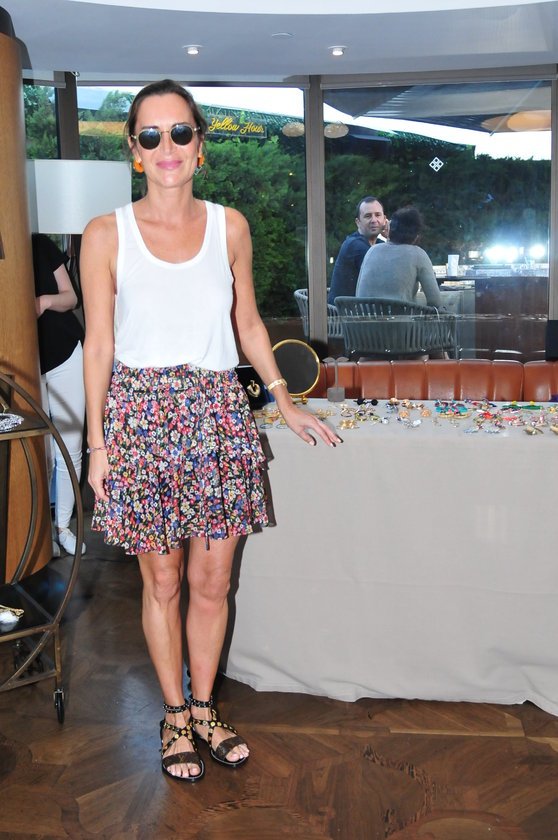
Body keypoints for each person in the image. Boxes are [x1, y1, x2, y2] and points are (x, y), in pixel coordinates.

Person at [80, 78, 340, 784]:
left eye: (180, 132)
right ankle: (173, 715)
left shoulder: (230, 227)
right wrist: (98, 445)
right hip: (140, 416)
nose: (167, 147)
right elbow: (99, 346)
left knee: (213, 578)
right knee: (162, 580)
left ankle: (204, 708)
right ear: (135, 150)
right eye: (151, 135)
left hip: (219, 412)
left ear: (200, 145)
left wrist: (284, 400)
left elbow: (246, 322)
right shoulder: (105, 234)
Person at [32, 233, 86, 557]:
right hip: (25, 363)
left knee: (70, 445)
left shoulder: (39, 245)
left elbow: (71, 298)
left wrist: (43, 302)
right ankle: (39, 534)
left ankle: (63, 526)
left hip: (65, 355)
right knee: (40, 451)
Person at [355, 206, 443, 309]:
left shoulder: (372, 251)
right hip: (400, 318)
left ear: (390, 229)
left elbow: (358, 294)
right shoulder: (418, 254)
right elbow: (435, 301)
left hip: (365, 318)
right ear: (417, 236)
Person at [327, 196, 388, 304]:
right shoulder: (355, 245)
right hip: (345, 312)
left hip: (360, 309)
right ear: (358, 222)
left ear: (384, 220)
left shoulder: (379, 244)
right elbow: (385, 279)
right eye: (368, 216)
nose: (374, 220)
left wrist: (390, 238)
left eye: (378, 215)